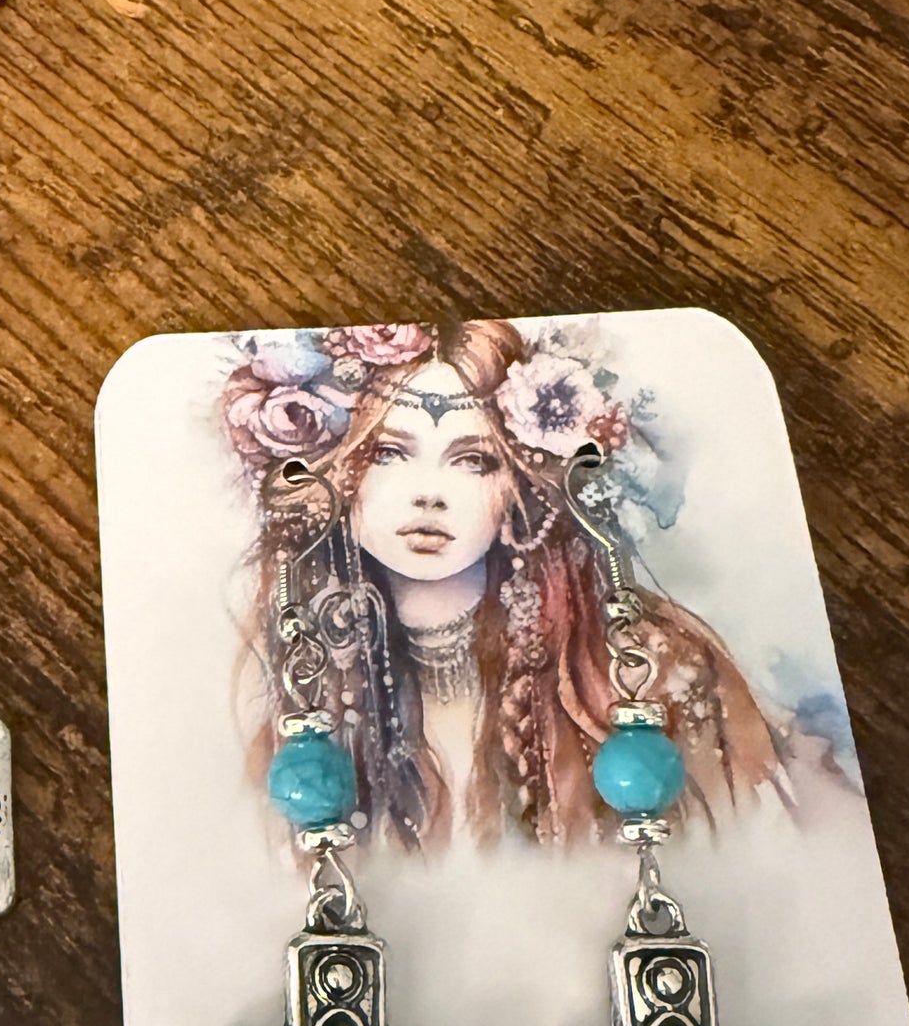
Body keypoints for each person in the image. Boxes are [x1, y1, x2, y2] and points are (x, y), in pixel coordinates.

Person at [224, 318, 785, 849]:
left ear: (521, 484)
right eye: (389, 453)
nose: (429, 494)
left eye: (473, 461)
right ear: (334, 472)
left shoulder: (648, 661)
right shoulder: (303, 676)